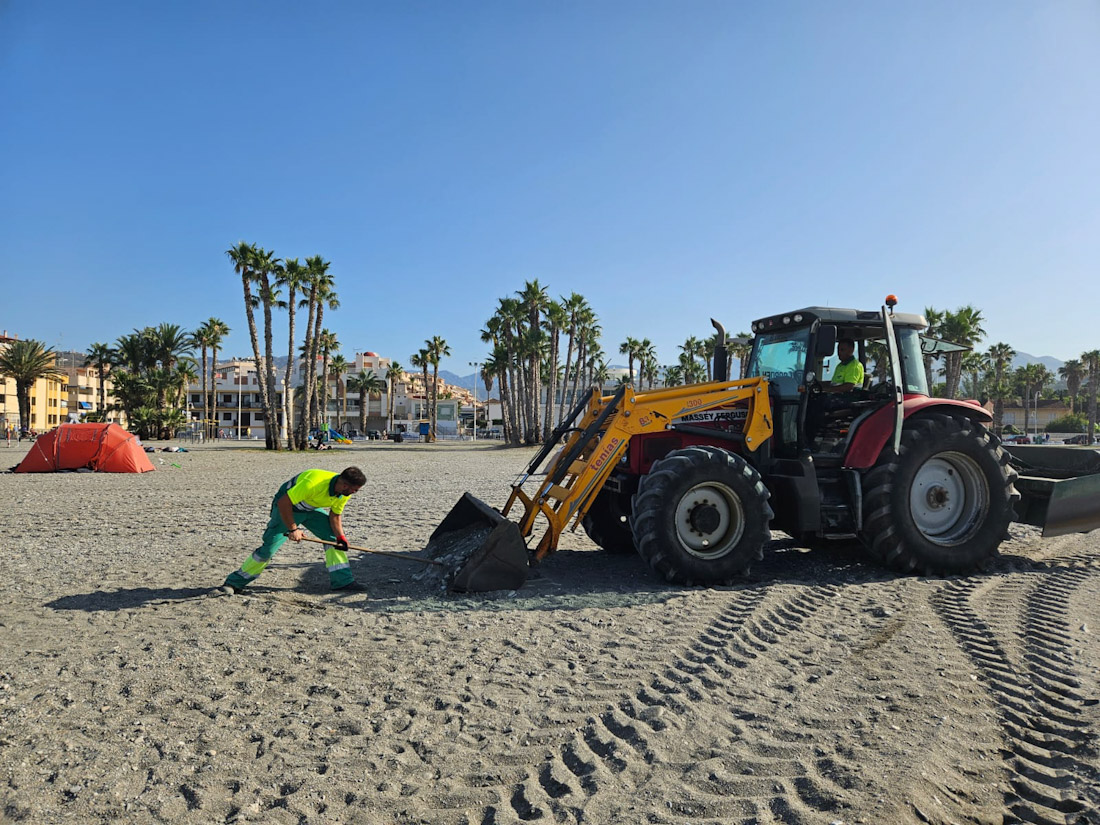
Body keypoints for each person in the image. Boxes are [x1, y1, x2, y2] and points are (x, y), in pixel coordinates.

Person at [221, 466, 368, 595]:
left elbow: (335, 515)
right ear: (344, 484)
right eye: (354, 489)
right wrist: (293, 528)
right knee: (268, 550)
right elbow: (284, 502)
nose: (355, 492)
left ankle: (342, 581)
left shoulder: (344, 493)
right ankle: (234, 583)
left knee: (334, 540)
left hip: (310, 508)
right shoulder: (313, 483)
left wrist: (341, 537)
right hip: (287, 507)